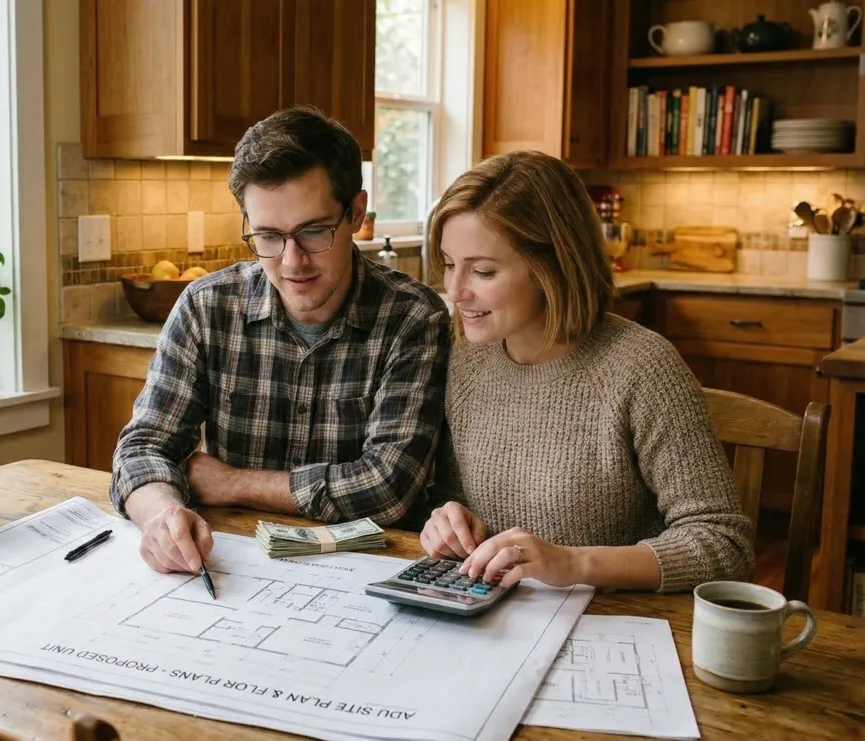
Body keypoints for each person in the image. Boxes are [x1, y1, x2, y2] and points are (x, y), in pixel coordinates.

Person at [111, 106, 452, 575]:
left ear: (355, 212)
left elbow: (389, 488)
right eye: (268, 236)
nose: (292, 262)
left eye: (313, 232)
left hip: (368, 573)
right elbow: (143, 449)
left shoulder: (412, 317)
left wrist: (231, 483)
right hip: (232, 568)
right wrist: (161, 514)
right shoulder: (207, 307)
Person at [421, 150, 753, 593]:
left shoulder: (642, 368)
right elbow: (455, 492)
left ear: (552, 266)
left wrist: (574, 564)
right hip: (496, 619)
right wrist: (445, 519)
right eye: (447, 264)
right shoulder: (466, 356)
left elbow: (724, 544)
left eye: (482, 270)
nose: (455, 291)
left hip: (617, 624)